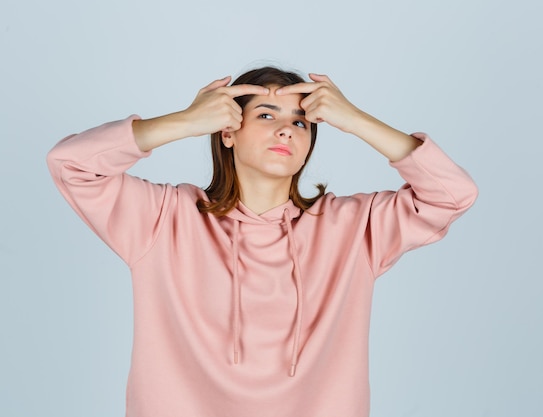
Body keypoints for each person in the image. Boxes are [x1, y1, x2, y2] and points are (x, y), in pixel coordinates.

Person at [47, 66, 478, 417]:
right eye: (267, 115)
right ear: (227, 132)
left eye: (301, 122)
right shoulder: (163, 218)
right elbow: (71, 164)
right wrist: (184, 122)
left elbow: (453, 194)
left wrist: (356, 120)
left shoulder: (353, 228)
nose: (287, 131)